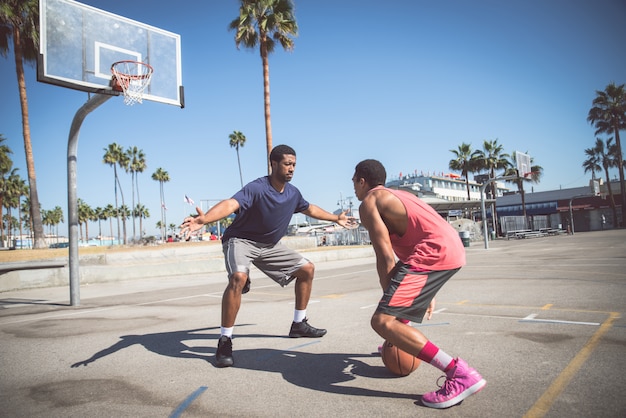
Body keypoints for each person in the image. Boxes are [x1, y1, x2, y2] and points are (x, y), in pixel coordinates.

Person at [180, 144, 354, 368]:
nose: (291, 169)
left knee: (307, 269)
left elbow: (310, 209)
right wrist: (205, 220)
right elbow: (231, 204)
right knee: (238, 279)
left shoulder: (293, 193)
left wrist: (334, 218)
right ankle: (225, 340)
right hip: (241, 240)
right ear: (273, 164)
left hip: (269, 246)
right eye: (287, 164)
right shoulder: (257, 188)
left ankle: (299, 324)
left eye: (294, 165)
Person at [352, 159, 486, 409]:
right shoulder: (400, 195)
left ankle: (459, 373)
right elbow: (418, 235)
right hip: (446, 249)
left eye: (354, 182)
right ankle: (399, 334)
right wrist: (418, 292)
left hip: (433, 254)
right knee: (392, 316)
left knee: (382, 321)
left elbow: (385, 257)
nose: (354, 188)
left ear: (362, 181)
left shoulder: (369, 202)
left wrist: (391, 309)